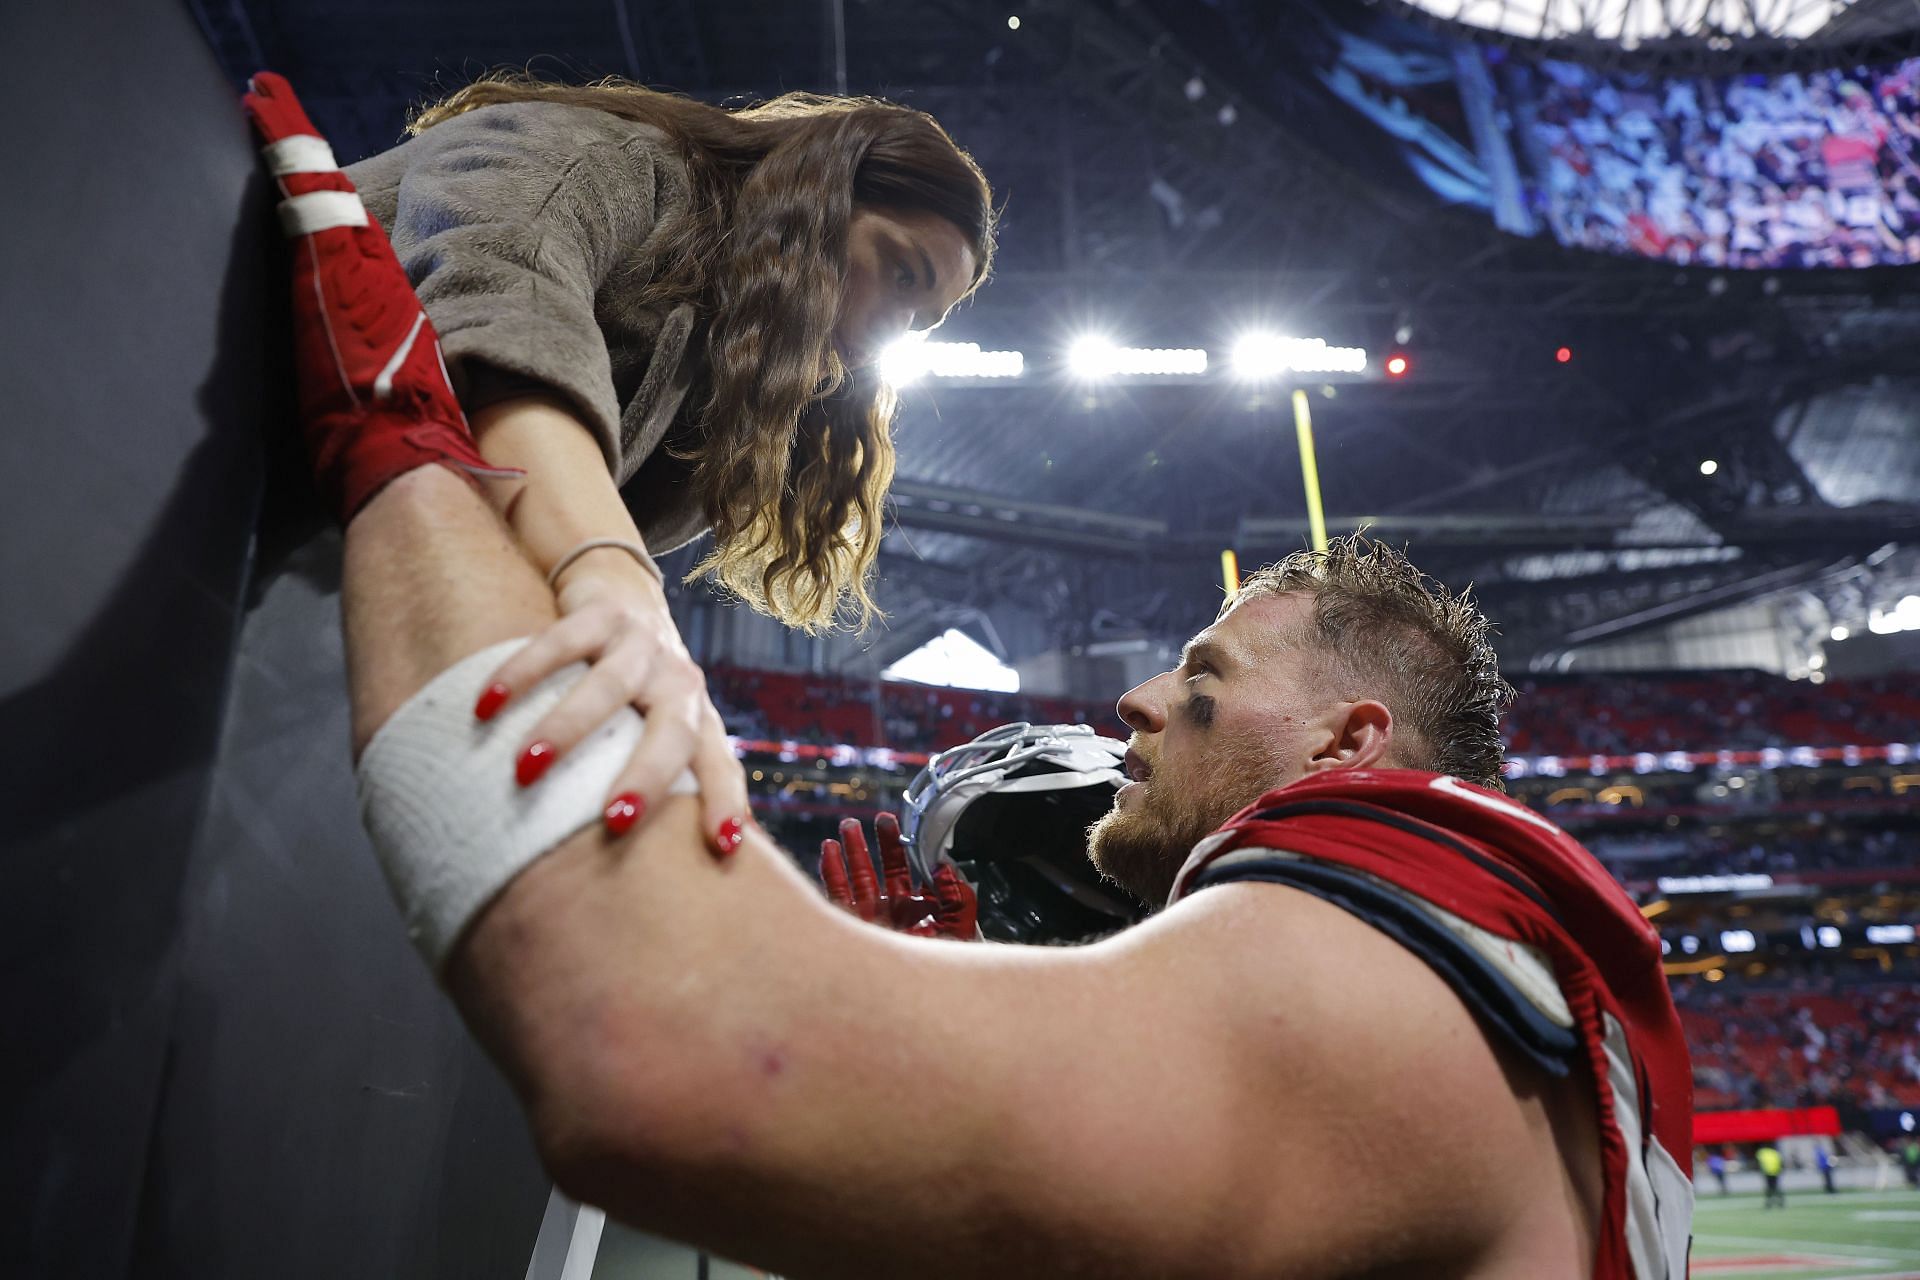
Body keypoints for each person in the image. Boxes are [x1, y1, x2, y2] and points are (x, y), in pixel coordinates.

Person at [260, 122, 1693, 1274]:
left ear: (1348, 739)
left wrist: (408, 465)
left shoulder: (1396, 923)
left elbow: (652, 1055)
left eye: (1203, 676)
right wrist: (923, 1036)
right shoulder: (1496, 1000)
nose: (1132, 699)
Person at [242, 70, 995, 839]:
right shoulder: (616, 161)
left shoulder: (733, 393)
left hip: (299, 570)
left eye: (922, 321)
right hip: (198, 400)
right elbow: (498, 286)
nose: (892, 333)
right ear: (823, 194)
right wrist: (607, 569)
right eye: (902, 273)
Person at [1757, 1144, 1786, 1208]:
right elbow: (1781, 1163)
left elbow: (1759, 1162)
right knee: (1775, 1187)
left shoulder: (1762, 1152)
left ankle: (1769, 1203)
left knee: (1769, 1188)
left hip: (1767, 1172)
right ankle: (1780, 1201)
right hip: (1776, 1172)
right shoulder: (1775, 1153)